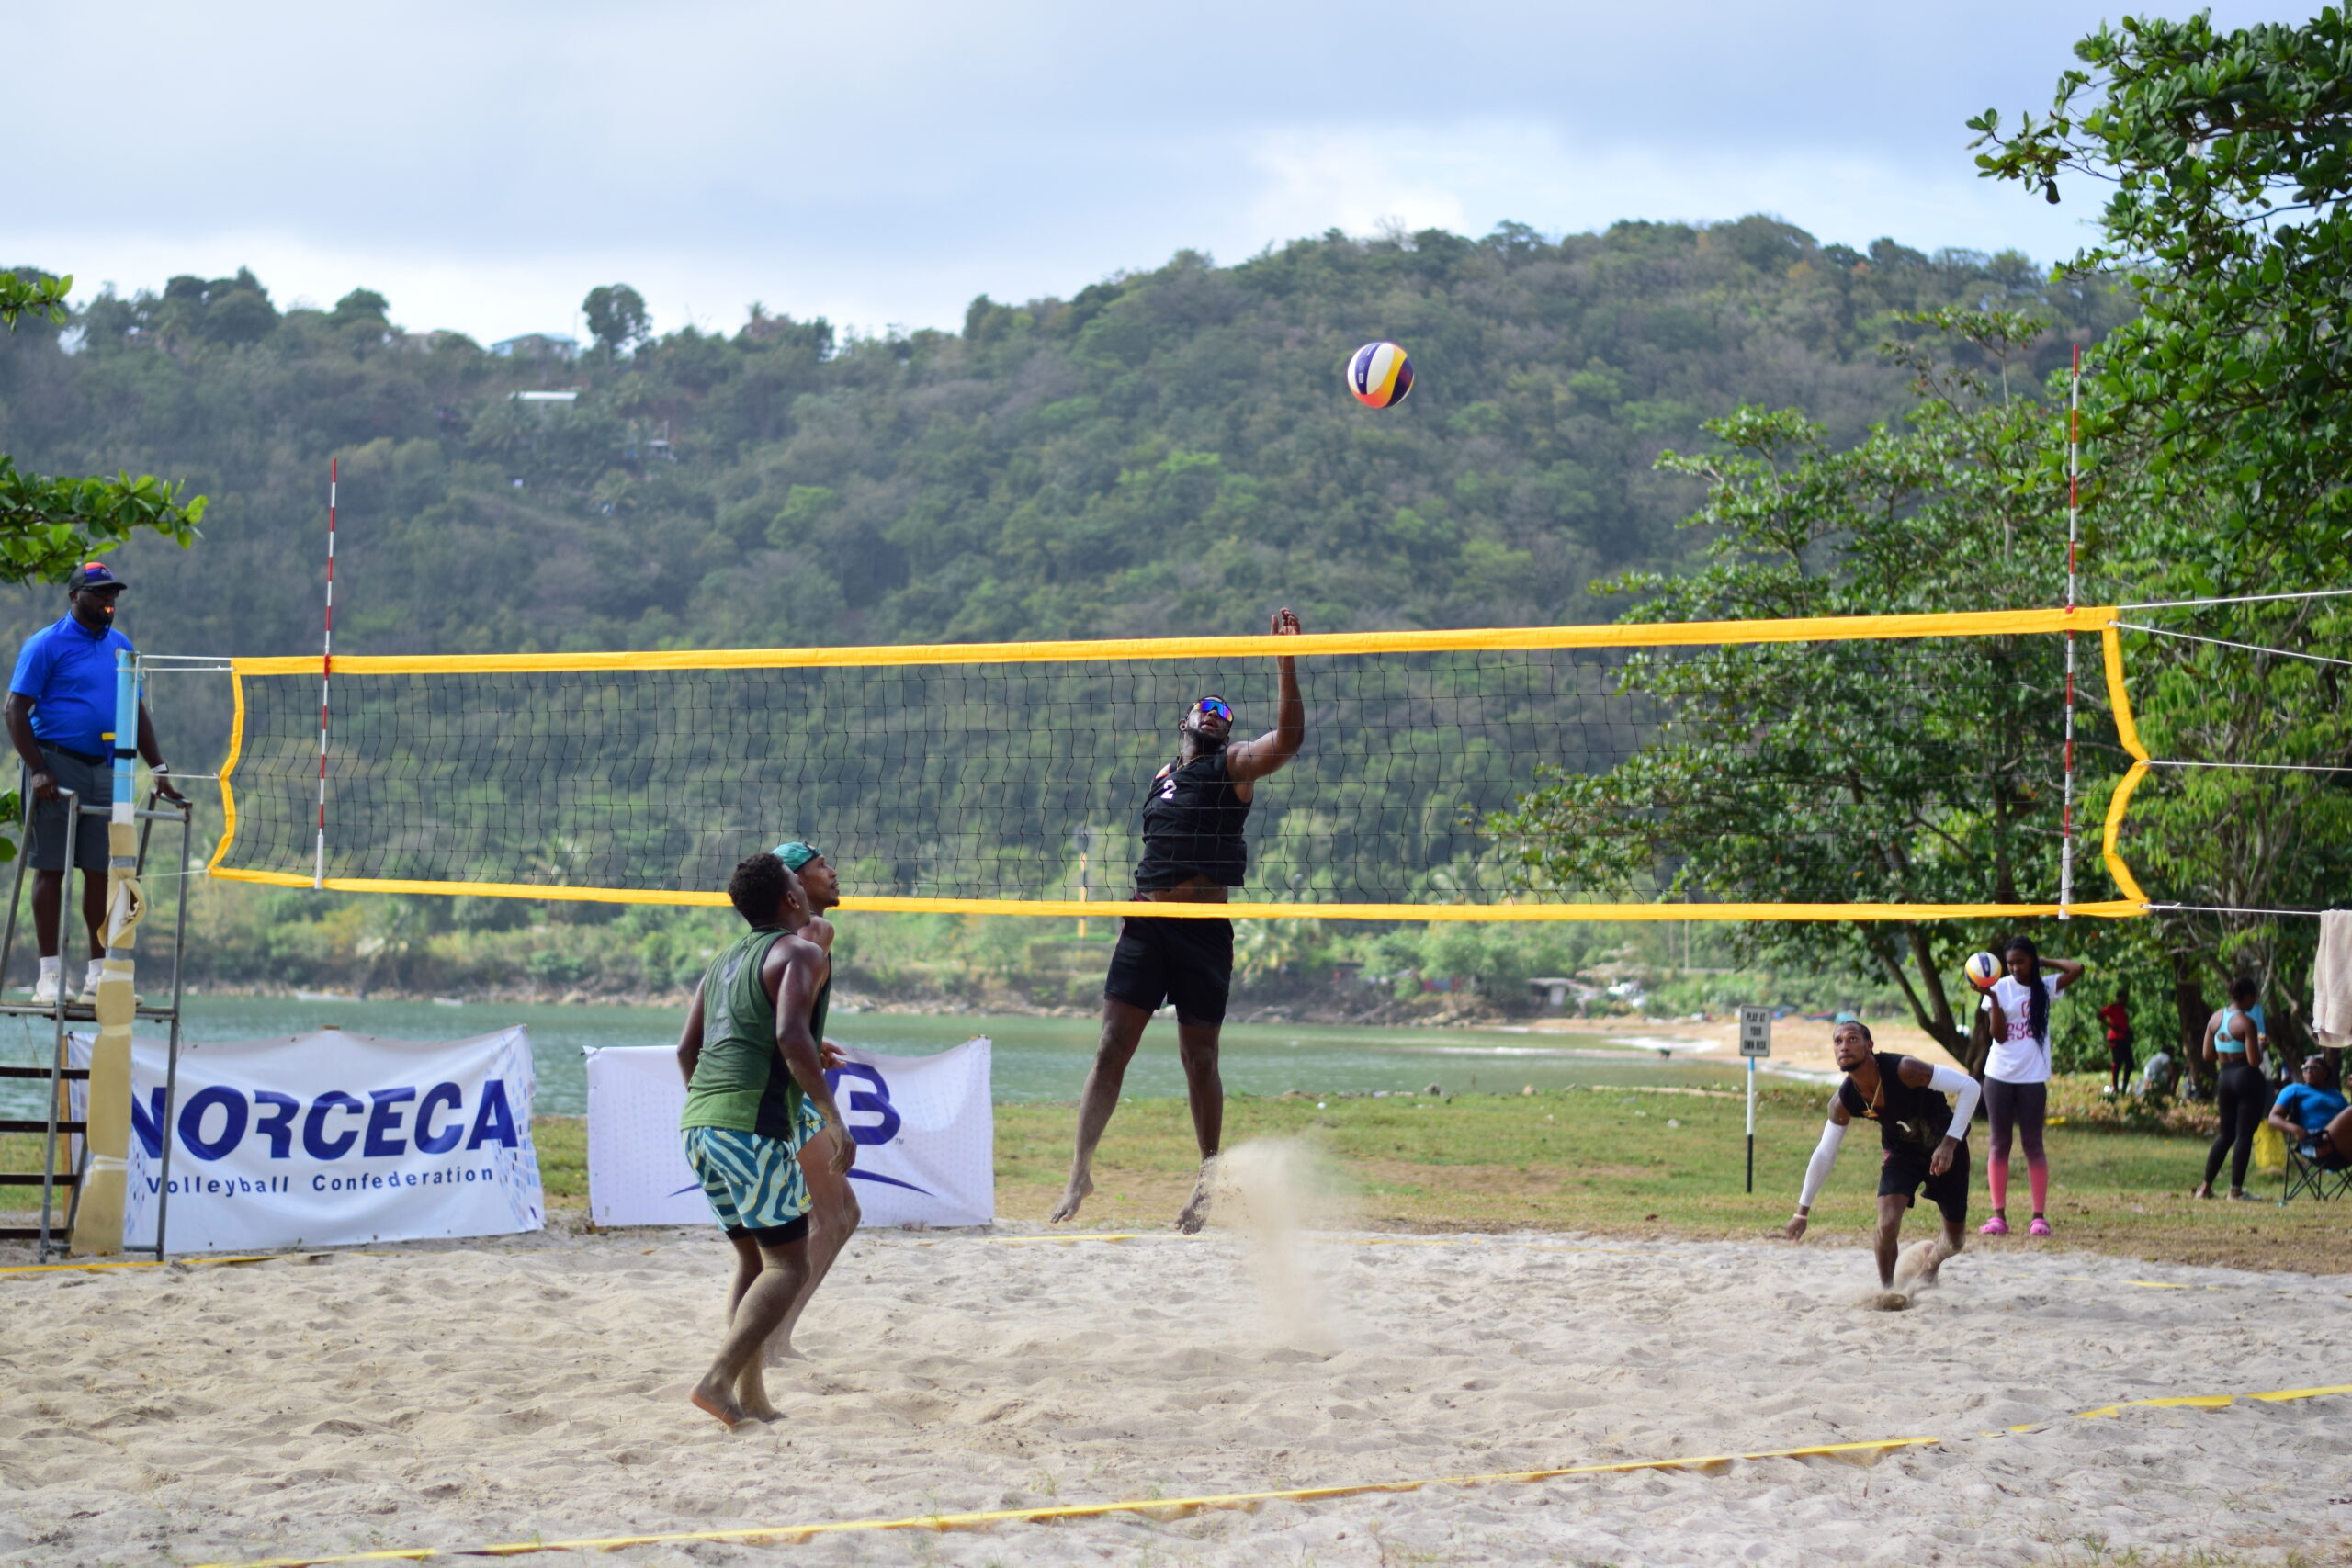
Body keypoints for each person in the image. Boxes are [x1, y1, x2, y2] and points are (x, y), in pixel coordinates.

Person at [1050, 607, 1306, 1233]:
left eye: (1225, 716)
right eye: (1207, 711)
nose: (1217, 718)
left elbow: (1290, 740)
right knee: (1111, 1046)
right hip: (1145, 922)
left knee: (1201, 1058)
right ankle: (1080, 1166)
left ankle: (1206, 1175)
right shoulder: (1162, 778)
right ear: (1185, 724)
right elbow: (1151, 851)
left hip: (1202, 928)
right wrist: (1128, 923)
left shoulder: (1234, 768)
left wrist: (1286, 663)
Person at [675, 852, 854, 1427]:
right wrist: (831, 1116)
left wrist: (713, 1111)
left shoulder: (724, 960)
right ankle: (717, 1380)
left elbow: (687, 1050)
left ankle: (751, 1396)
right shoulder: (802, 949)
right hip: (750, 1126)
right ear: (790, 899)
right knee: (789, 1267)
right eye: (797, 884)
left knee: (755, 1262)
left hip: (700, 1124)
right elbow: (789, 1035)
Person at [5, 561, 185, 1007]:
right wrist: (38, 768)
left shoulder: (121, 646)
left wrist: (159, 772)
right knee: (51, 867)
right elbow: (14, 710)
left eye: (114, 594)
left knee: (100, 871)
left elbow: (136, 713)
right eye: (100, 593)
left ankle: (99, 975)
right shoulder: (46, 645)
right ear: (75, 597)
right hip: (56, 766)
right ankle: (48, 976)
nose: (110, 601)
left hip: (106, 769)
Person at [1783, 1018, 1983, 1290]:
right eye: (1838, 1041)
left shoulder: (1906, 1070)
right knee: (1886, 1225)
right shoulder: (1844, 1102)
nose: (1844, 1046)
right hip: (1901, 1153)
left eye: (1853, 1039)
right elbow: (1824, 1153)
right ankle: (1889, 1290)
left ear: (1869, 1046)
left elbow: (1970, 1087)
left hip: (1944, 1148)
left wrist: (1949, 1144)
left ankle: (1931, 1262)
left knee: (1955, 1242)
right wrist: (1802, 1212)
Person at [765, 840, 861, 1359]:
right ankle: (769, 1339)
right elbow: (786, 1016)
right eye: (822, 866)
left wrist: (808, 1039)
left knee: (840, 1214)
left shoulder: (777, 936)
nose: (834, 872)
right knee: (833, 1217)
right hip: (783, 1093)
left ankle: (776, 1336)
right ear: (795, 886)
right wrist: (799, 1042)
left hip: (778, 1083)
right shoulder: (816, 932)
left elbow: (781, 1010)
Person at [1980, 937, 2085, 1237]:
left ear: (2032, 961)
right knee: (1999, 1145)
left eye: (2021, 961)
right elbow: (1998, 1036)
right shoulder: (1997, 988)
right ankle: (1998, 1215)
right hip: (1998, 1076)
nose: (2015, 968)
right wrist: (1994, 1000)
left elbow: (2077, 968)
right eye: (2010, 963)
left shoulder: (2045, 986)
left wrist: (2045, 963)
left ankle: (2038, 1217)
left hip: (2033, 1078)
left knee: (2033, 1146)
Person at [2193, 977, 2270, 1201]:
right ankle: (2235, 1190)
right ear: (2246, 996)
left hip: (2225, 1076)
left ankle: (2205, 1187)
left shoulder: (2216, 1018)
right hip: (2246, 1076)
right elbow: (2254, 1061)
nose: (2254, 1002)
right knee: (2244, 1134)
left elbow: (2207, 1055)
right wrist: (2261, 1046)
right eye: (2253, 997)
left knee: (2225, 1134)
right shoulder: (2246, 1023)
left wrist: (2229, 1054)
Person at [2267, 1055, 2348, 1164]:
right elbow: (2273, 1118)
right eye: (2305, 1068)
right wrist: (2296, 1129)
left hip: (2343, 1143)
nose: (2308, 1071)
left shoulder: (2335, 1094)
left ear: (2325, 1073)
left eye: (2314, 1068)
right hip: (2316, 1143)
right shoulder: (2294, 1089)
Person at [2098, 987, 2134, 1097]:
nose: (2126, 1000)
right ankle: (2115, 1088)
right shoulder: (2112, 1007)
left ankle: (2123, 1088)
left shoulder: (2124, 1009)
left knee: (2130, 1063)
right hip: (2115, 1038)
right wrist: (2111, 1026)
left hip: (2124, 1038)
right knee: (2117, 1063)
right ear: (2120, 998)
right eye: (2125, 998)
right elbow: (2099, 1015)